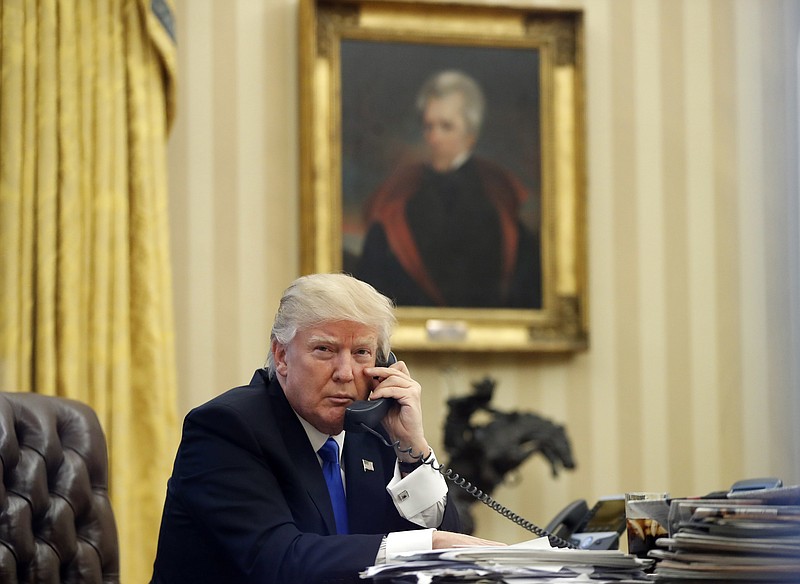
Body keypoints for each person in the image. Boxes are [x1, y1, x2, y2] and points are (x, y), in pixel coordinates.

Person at [150, 273, 503, 583]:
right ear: (282, 356)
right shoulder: (227, 429)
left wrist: (413, 448)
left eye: (362, 353)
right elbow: (280, 562)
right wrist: (429, 545)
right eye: (324, 350)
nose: (345, 373)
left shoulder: (374, 429)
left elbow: (451, 558)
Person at [355, 70, 542, 309]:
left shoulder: (499, 199)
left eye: (446, 127)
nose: (433, 137)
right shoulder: (400, 197)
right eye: (428, 126)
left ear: (471, 135)